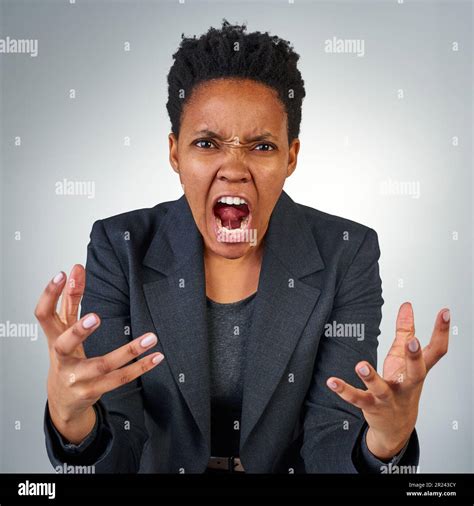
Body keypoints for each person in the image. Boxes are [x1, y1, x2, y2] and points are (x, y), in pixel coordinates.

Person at [35, 19, 450, 474]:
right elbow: (118, 448)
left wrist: (385, 443)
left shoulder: (346, 253)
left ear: (291, 156)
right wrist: (72, 420)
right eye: (207, 143)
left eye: (262, 146)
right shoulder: (120, 246)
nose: (234, 168)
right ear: (175, 152)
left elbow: (333, 438)